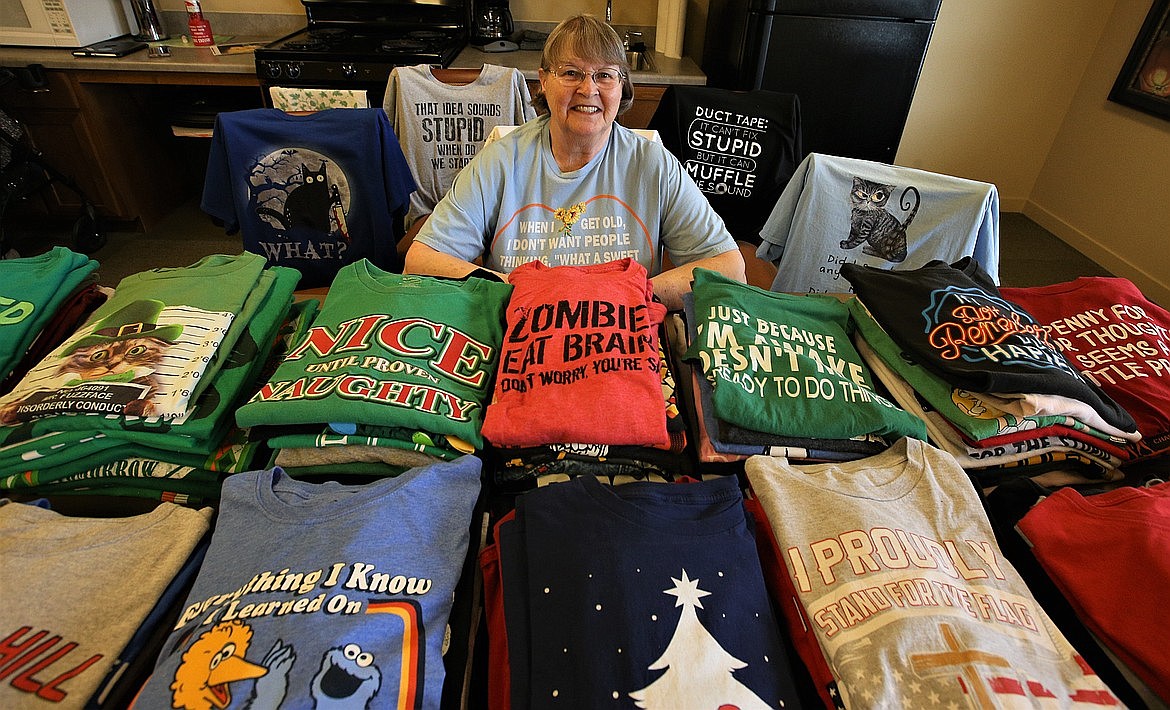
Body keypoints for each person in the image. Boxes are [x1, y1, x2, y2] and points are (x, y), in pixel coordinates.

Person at [403, 13, 745, 309]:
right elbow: (420, 261)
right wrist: (522, 291)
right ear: (544, 81)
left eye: (605, 75)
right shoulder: (502, 160)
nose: (588, 89)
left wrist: (624, 294)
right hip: (521, 337)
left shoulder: (652, 164)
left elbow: (730, 268)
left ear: (622, 87)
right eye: (571, 73)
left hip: (624, 340)